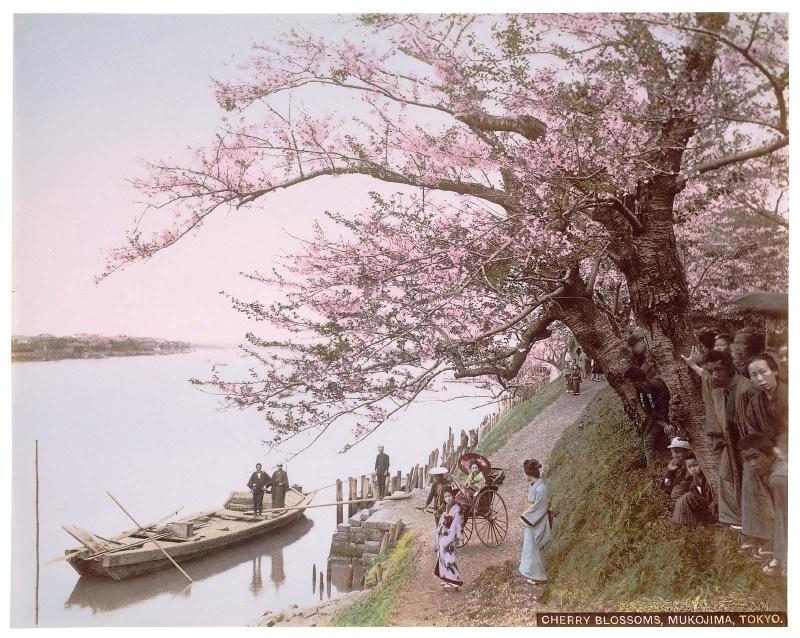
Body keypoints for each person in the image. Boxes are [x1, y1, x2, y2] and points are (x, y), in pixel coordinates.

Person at [740, 354, 786, 559]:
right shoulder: (755, 402)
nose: (759, 379)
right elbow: (753, 433)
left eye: (763, 372)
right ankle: (760, 533)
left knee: (777, 478)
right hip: (769, 452)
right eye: (753, 375)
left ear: (774, 370)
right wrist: (764, 453)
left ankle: (777, 539)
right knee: (752, 470)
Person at [737, 435, 775, 560]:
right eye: (747, 460)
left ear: (771, 456)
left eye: (755, 457)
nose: (752, 464)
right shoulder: (760, 474)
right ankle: (759, 534)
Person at [624, 366, 672, 466]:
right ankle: (652, 470)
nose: (632, 385)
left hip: (670, 418)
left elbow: (665, 406)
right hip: (658, 420)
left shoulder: (658, 386)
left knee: (674, 438)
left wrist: (667, 423)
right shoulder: (640, 391)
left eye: (633, 382)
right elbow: (649, 411)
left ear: (638, 381)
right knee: (648, 442)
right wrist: (662, 423)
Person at [519, 459, 551, 598]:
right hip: (531, 520)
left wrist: (526, 517)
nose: (524, 475)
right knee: (530, 547)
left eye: (524, 473)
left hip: (536, 520)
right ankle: (532, 572)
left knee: (534, 547)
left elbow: (539, 507)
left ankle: (538, 575)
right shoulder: (534, 485)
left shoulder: (541, 488)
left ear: (528, 473)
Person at [671, 453, 715, 527]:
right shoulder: (694, 482)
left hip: (711, 508)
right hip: (701, 509)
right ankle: (683, 524)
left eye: (695, 465)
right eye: (689, 467)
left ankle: (679, 524)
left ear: (701, 464)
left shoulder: (708, 478)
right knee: (679, 501)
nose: (693, 469)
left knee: (687, 496)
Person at [434, 488, 464, 589]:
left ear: (453, 496)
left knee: (450, 558)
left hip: (450, 535)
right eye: (445, 497)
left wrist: (451, 535)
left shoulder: (457, 508)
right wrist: (441, 528)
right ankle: (447, 579)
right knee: (443, 556)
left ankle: (455, 580)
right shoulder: (447, 507)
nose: (448, 498)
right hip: (444, 534)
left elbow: (456, 524)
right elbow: (442, 520)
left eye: (449, 496)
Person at [662, 438, 691, 502]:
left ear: (687, 452)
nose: (675, 455)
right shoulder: (675, 465)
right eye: (673, 452)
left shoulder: (692, 467)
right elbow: (666, 485)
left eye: (677, 452)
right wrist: (669, 472)